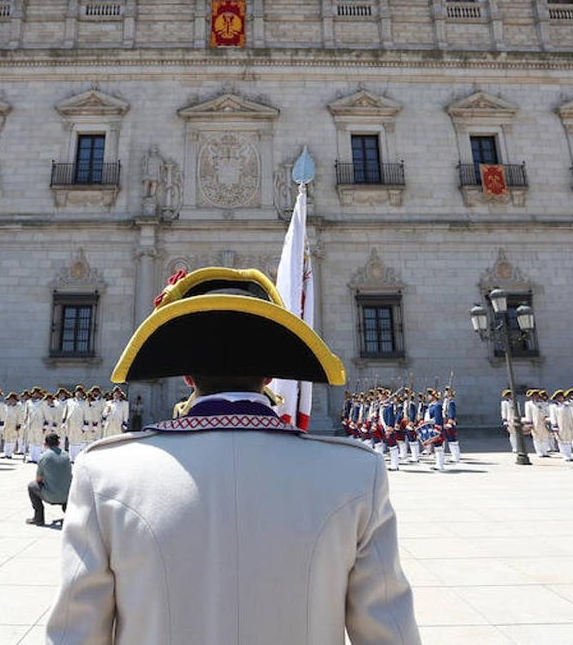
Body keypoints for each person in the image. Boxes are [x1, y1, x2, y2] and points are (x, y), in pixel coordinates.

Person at [42, 267, 419, 644]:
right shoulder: (353, 474)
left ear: (187, 376)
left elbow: (74, 635)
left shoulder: (106, 474)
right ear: (272, 375)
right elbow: (391, 635)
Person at [26, 432, 73, 526]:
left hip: (51, 495)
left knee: (31, 486)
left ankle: (38, 517)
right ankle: (69, 515)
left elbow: (38, 479)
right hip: (67, 495)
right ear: (59, 443)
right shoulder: (66, 455)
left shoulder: (44, 457)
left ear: (45, 444)